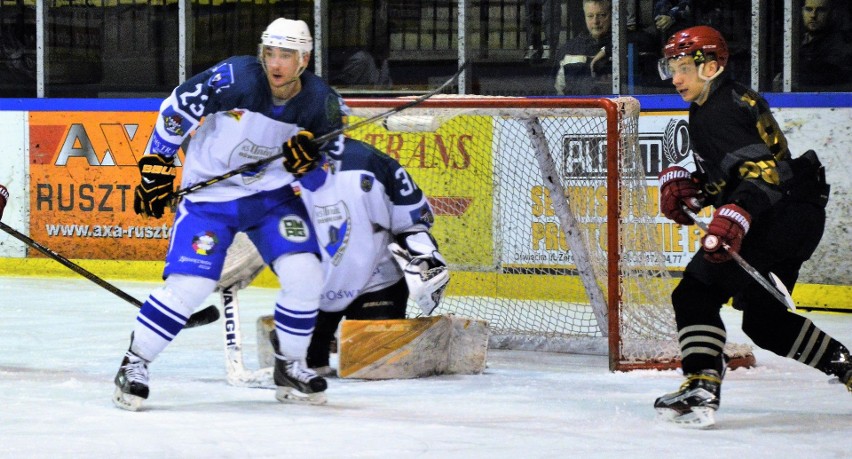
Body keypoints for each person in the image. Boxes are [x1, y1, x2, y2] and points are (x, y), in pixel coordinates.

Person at [112, 17, 347, 411]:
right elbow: (177, 108)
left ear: (304, 59)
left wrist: (309, 166)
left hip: (272, 198)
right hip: (210, 198)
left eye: (286, 55)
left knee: (306, 274)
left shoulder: (322, 104)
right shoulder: (235, 77)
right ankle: (134, 365)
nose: (275, 62)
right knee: (190, 286)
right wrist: (157, 163)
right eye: (269, 52)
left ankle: (289, 365)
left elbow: (326, 178)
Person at [653, 25, 850, 428]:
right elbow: (746, 170)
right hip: (798, 214)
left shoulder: (718, 109)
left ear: (712, 66)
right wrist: (700, 191)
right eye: (671, 67)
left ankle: (702, 382)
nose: (676, 78)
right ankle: (846, 365)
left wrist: (737, 212)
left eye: (685, 67)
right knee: (765, 321)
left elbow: (764, 176)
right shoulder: (720, 99)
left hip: (775, 217)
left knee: (695, 292)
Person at [218, 137, 449, 377]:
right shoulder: (268, 169)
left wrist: (424, 257)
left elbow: (411, 223)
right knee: (306, 371)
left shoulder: (369, 161)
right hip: (311, 288)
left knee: (374, 371)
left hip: (376, 281)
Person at [797, 0, 852, 90]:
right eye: (808, 9)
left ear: (833, 14)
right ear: (802, 11)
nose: (813, 15)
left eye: (821, 10)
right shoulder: (793, 40)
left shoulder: (841, 45)